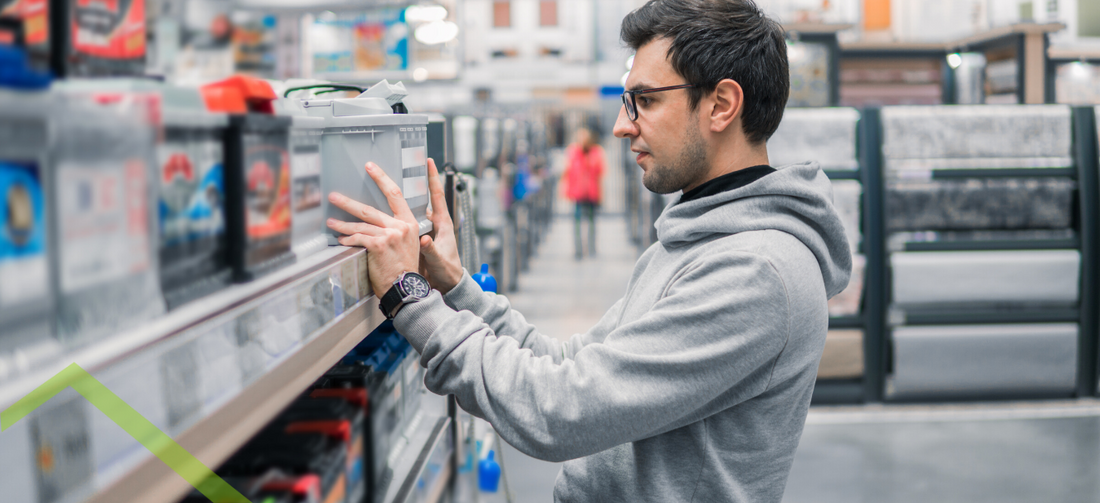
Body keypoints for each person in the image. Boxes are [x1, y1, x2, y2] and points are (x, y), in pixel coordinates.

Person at [325, 0, 852, 501]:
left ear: (721, 105)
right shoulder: (696, 243)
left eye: (645, 101)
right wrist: (453, 288)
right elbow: (570, 365)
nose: (623, 126)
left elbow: (559, 411)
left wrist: (408, 297)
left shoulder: (754, 273)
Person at [563, 127, 605, 259]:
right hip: (578, 194)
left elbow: (600, 171)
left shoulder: (596, 152)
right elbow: (568, 172)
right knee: (577, 222)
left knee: (592, 222)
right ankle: (578, 249)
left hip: (592, 193)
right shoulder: (573, 152)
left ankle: (592, 248)